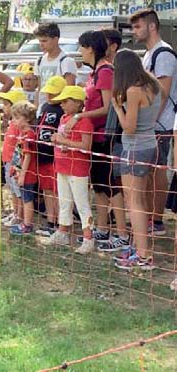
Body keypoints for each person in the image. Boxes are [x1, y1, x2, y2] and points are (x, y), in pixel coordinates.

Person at [72, 30, 128, 250]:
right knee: (99, 186)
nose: (80, 52)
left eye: (82, 47)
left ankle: (122, 233)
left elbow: (107, 107)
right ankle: (103, 229)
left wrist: (79, 115)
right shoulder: (93, 72)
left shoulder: (105, 71)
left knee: (111, 186)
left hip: (106, 136)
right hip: (94, 136)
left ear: (91, 48)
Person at [111, 49, 160, 271]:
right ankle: (139, 248)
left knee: (134, 202)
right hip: (149, 143)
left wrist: (117, 107)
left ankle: (143, 255)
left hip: (134, 148)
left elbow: (129, 128)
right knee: (139, 200)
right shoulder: (152, 84)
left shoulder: (132, 90)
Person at [131, 8, 175, 237]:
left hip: (161, 125)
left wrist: (149, 122)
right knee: (147, 173)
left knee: (156, 172)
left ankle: (156, 220)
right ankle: (147, 217)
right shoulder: (149, 54)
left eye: (138, 26)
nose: (134, 31)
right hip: (150, 125)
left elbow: (163, 93)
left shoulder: (164, 54)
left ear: (152, 26)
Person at [41, 86, 94, 253]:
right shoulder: (64, 118)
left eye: (65, 101)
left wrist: (64, 141)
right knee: (64, 201)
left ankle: (88, 238)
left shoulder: (84, 122)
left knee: (82, 203)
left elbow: (86, 145)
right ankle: (63, 231)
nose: (62, 104)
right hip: (62, 165)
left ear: (78, 103)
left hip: (77, 168)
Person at [34, 76, 67, 237]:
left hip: (54, 156)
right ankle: (50, 220)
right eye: (49, 92)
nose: (50, 96)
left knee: (57, 190)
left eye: (54, 93)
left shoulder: (63, 110)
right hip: (42, 153)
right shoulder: (45, 106)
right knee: (46, 188)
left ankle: (61, 223)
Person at [0, 90, 28, 226]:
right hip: (7, 159)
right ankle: (15, 212)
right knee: (12, 188)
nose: (4, 107)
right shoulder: (11, 123)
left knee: (17, 190)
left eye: (6, 104)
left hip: (14, 161)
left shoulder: (18, 125)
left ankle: (19, 216)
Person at [7, 102, 38, 235]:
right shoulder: (22, 133)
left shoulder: (29, 135)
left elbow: (28, 156)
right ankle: (25, 222)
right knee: (25, 197)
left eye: (17, 118)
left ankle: (27, 224)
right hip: (20, 172)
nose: (14, 121)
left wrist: (23, 175)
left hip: (28, 174)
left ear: (26, 119)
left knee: (27, 199)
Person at [33, 23, 78, 103]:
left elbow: (69, 91)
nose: (41, 44)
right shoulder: (39, 61)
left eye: (44, 41)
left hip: (59, 107)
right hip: (43, 108)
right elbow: (39, 88)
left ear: (55, 39)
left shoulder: (66, 61)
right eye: (39, 41)